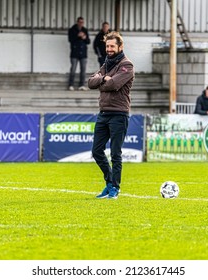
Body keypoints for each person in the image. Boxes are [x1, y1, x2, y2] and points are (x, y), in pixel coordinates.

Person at [87, 31, 135, 199]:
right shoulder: (106, 64)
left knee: (115, 153)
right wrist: (103, 79)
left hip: (119, 114)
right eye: (107, 46)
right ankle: (109, 182)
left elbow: (113, 84)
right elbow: (90, 82)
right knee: (97, 151)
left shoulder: (126, 65)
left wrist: (103, 79)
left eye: (112, 46)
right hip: (104, 113)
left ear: (120, 46)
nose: (109, 49)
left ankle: (115, 187)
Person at [68, 17, 90, 91]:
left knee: (83, 69)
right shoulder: (72, 30)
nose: (81, 24)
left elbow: (88, 41)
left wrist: (84, 37)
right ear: (77, 22)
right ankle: (71, 85)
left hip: (83, 53)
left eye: (82, 22)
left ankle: (82, 85)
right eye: (80, 22)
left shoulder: (85, 30)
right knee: (73, 69)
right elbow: (70, 39)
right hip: (74, 53)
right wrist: (78, 35)